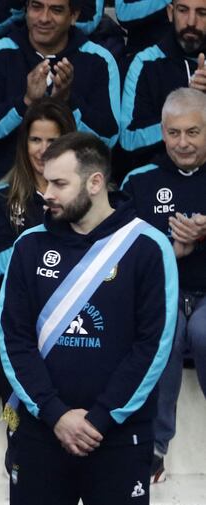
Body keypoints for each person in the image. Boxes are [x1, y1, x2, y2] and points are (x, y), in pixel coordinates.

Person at [0, 132, 177, 505]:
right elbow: (13, 338)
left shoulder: (147, 246)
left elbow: (153, 346)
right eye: (45, 181)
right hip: (41, 432)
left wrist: (101, 418)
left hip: (117, 436)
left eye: (60, 183)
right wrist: (54, 413)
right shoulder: (29, 246)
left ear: (96, 182)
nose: (47, 192)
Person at [120, 88, 206, 484]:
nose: (183, 143)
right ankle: (154, 447)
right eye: (174, 133)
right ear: (161, 131)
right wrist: (174, 249)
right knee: (163, 338)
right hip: (162, 300)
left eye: (193, 132)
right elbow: (121, 257)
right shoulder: (139, 181)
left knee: (204, 333)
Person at [0, 98, 76, 398]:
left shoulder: (87, 196)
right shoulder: (1, 196)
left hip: (71, 299)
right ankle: (17, 420)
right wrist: (45, 235)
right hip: (21, 299)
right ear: (24, 143)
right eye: (35, 139)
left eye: (53, 140)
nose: (43, 149)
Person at [0, 0, 120, 179]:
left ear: (74, 16)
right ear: (26, 9)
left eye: (56, 10)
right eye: (36, 7)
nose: (44, 18)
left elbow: (108, 138)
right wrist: (25, 102)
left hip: (75, 181)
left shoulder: (100, 59)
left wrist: (68, 101)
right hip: (7, 178)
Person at [121, 0, 206, 171]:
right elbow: (129, 139)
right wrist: (184, 106)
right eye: (183, 10)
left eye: (202, 13)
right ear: (170, 12)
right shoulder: (145, 62)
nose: (191, 22)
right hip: (159, 178)